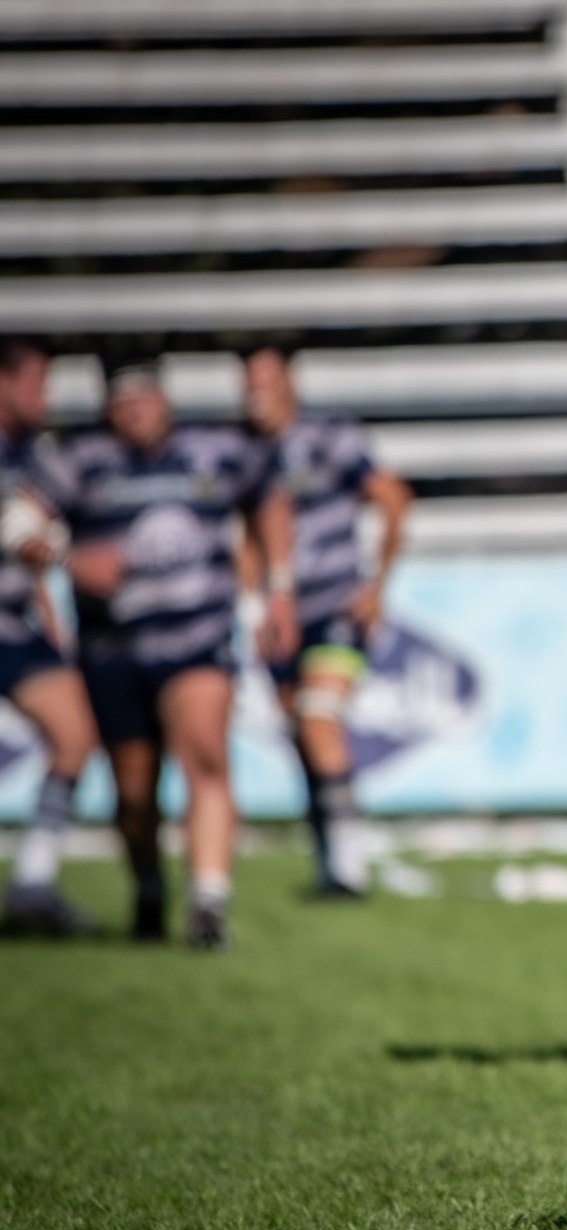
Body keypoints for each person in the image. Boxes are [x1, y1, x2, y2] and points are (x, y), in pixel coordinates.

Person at [24, 354, 297, 948]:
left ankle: (208, 904)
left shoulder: (214, 451)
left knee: (205, 755)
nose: (136, 411)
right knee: (134, 791)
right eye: (123, 403)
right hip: (115, 647)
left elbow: (269, 498)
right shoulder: (81, 461)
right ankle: (149, 884)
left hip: (196, 639)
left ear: (165, 399)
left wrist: (277, 588)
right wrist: (69, 559)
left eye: (144, 399)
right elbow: (18, 523)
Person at [241, 345, 413, 897]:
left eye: (267, 378)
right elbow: (247, 539)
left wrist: (377, 586)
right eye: (249, 381)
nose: (257, 392)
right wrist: (252, 607)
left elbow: (392, 497)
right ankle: (327, 861)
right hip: (279, 618)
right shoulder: (241, 451)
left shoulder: (330, 437)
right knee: (299, 735)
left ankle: (348, 867)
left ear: (291, 380)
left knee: (319, 720)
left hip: (336, 604)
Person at [0, 338, 100, 936]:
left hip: (13, 624)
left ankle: (33, 885)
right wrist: (68, 556)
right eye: (36, 383)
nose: (46, 397)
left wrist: (48, 611)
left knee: (75, 732)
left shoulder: (32, 455)